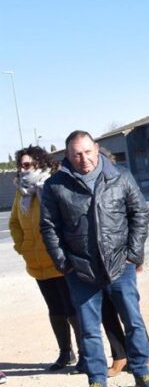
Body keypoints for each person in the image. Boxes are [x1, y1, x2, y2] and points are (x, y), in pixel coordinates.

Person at [39, 131, 149, 387]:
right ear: (67, 156)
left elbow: (140, 213)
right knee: (89, 329)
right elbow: (49, 227)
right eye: (76, 154)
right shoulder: (56, 186)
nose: (84, 159)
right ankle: (96, 381)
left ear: (96, 149)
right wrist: (64, 263)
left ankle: (141, 373)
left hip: (120, 266)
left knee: (133, 321)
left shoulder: (120, 176)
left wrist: (133, 254)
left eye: (87, 152)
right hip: (80, 271)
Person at [10, 145, 83, 371]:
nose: (22, 169)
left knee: (72, 309)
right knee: (55, 310)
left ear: (40, 163)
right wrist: (22, 246)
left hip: (58, 261)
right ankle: (65, 353)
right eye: (20, 165)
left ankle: (86, 355)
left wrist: (60, 251)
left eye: (27, 164)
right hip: (36, 263)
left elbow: (66, 220)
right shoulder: (21, 192)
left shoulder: (50, 186)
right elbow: (14, 222)